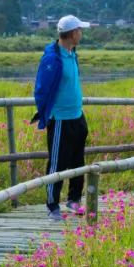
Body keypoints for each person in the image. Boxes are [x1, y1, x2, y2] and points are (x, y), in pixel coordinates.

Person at [33, 15, 90, 222]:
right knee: (57, 163)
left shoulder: (72, 54)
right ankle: (52, 204)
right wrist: (47, 113)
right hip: (60, 120)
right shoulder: (52, 59)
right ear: (73, 33)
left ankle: (74, 199)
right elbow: (41, 90)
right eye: (80, 31)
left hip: (77, 115)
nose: (81, 34)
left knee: (78, 161)